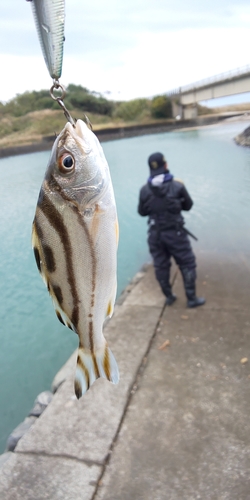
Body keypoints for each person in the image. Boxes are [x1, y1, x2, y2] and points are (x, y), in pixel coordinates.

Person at [138, 152, 205, 308]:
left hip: (155, 234)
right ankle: (191, 299)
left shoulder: (144, 190)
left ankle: (169, 297)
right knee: (187, 263)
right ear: (165, 165)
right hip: (176, 233)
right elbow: (188, 206)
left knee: (161, 266)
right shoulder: (177, 185)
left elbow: (142, 212)